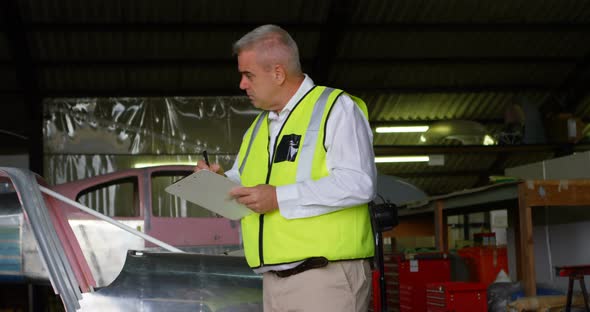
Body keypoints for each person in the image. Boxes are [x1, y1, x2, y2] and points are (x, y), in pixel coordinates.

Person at [195, 24, 377, 312]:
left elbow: (359, 183)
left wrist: (279, 197)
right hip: (273, 281)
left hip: (325, 280)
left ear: (278, 73)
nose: (242, 84)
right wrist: (216, 183)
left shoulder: (335, 108)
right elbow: (247, 186)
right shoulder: (258, 128)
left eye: (248, 75)